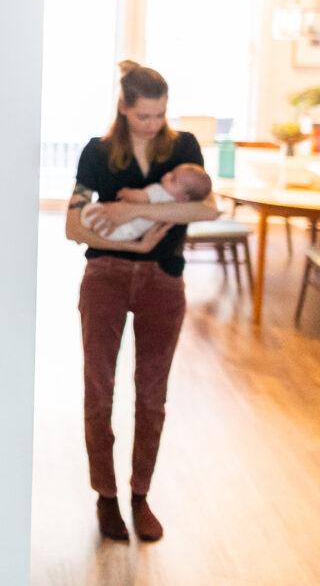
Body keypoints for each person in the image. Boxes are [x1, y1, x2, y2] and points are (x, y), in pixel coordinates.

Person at [65, 60, 220, 543]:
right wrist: (136, 239)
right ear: (124, 108)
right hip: (105, 277)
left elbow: (208, 207)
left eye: (160, 114)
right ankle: (106, 496)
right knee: (99, 390)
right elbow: (73, 227)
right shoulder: (96, 154)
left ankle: (140, 495)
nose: (154, 125)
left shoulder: (184, 149)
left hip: (163, 280)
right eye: (144, 116)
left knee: (152, 397)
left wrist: (126, 209)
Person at [82, 163, 212, 242]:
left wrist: (125, 192)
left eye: (173, 179)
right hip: (132, 233)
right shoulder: (178, 205)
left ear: (183, 198)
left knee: (91, 211)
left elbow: (140, 197)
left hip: (122, 227)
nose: (167, 175)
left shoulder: (160, 191)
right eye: (171, 173)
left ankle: (86, 222)